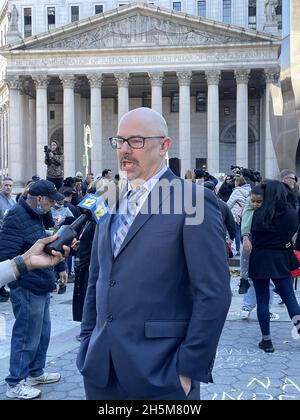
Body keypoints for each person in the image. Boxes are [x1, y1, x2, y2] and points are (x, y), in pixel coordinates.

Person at [77, 107, 231, 400]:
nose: (124, 150)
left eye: (136, 141)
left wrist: (188, 369)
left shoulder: (193, 199)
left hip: (162, 374)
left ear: (164, 146)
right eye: (119, 141)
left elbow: (214, 293)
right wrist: (87, 339)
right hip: (99, 371)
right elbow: (98, 277)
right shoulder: (109, 196)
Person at [0, 179, 68, 399]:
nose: (52, 206)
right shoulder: (16, 216)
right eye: (50, 202)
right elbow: (5, 255)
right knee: (26, 335)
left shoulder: (39, 214)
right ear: (39, 199)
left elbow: (50, 244)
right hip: (27, 286)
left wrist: (61, 267)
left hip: (42, 282)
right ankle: (15, 383)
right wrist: (20, 279)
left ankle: (35, 372)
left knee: (42, 333)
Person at [248, 180, 300, 353]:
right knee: (290, 299)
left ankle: (267, 340)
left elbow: (253, 235)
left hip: (260, 258)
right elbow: (291, 233)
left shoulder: (259, 213)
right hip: (280, 259)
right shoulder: (291, 214)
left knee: (262, 300)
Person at [239, 184, 278, 321]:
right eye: (253, 201)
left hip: (262, 248)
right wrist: (245, 237)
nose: (255, 204)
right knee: (263, 279)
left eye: (258, 202)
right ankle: (260, 309)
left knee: (258, 278)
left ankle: (248, 307)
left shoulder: (269, 208)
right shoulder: (251, 209)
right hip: (257, 248)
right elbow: (245, 223)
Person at [0, 236, 69, 288]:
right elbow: (5, 253)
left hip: (44, 281)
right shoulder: (14, 218)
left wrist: (27, 261)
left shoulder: (42, 219)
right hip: (27, 286)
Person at [0, 176, 15, 302]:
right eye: (6, 185)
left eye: (10, 185)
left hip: (9, 235)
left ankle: (2, 286)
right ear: (2, 185)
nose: (8, 187)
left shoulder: (13, 200)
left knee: (5, 261)